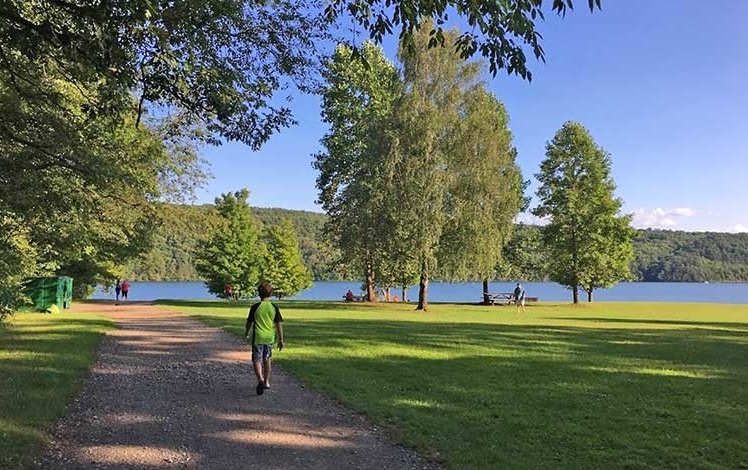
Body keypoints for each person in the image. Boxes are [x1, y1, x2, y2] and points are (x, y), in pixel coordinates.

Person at [244, 282, 284, 396]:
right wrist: (281, 339)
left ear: (259, 293)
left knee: (257, 360)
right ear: (271, 293)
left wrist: (247, 333)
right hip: (269, 338)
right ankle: (266, 382)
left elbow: (249, 323)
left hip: (258, 337)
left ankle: (260, 379)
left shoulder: (255, 307)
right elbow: (278, 324)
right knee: (267, 359)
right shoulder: (274, 307)